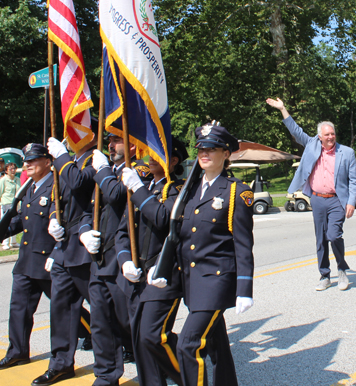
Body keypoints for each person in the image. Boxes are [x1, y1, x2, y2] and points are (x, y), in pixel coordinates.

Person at [175, 123, 254, 386]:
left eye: (212, 148)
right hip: (192, 281)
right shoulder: (190, 190)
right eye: (201, 149)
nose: (204, 153)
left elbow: (243, 244)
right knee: (216, 343)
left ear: (226, 154)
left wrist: (244, 288)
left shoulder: (236, 191)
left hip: (216, 282)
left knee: (188, 345)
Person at [266, 97, 356, 291]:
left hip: (337, 201)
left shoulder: (347, 152)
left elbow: (353, 180)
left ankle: (342, 270)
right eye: (327, 135)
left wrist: (351, 202)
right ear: (319, 137)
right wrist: (282, 109)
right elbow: (295, 130)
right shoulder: (311, 144)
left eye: (333, 134)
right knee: (320, 239)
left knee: (334, 236)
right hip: (317, 199)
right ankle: (324, 275)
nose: (331, 137)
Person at [117, 137, 188, 386]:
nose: (150, 156)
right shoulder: (144, 188)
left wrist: (139, 190)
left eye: (158, 153)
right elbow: (123, 232)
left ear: (174, 161)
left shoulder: (179, 190)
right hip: (138, 275)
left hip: (163, 275)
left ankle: (190, 379)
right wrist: (125, 260)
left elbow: (160, 218)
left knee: (152, 336)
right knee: (139, 340)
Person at [81, 133, 150, 386]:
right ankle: (106, 376)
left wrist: (100, 171)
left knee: (134, 325)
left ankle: (162, 361)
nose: (109, 145)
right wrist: (83, 232)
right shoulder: (107, 171)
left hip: (124, 261)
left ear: (131, 144)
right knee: (101, 325)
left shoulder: (139, 168)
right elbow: (91, 209)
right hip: (100, 261)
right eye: (108, 140)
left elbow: (117, 195)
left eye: (115, 141)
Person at [31, 131, 98, 386]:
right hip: (63, 249)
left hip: (85, 249)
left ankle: (137, 349)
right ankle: (61, 364)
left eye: (76, 130)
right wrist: (52, 219)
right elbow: (56, 197)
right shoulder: (66, 162)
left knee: (106, 311)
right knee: (61, 309)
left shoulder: (95, 160)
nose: (70, 137)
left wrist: (60, 156)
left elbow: (79, 183)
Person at [0, 144, 56, 371]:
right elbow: (24, 219)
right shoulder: (29, 187)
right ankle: (17, 352)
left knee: (66, 309)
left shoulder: (57, 186)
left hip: (47, 260)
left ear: (48, 161)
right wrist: (0, 230)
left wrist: (57, 255)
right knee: (18, 309)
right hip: (26, 260)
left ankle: (94, 333)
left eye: (33, 160)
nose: (27, 164)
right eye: (26, 161)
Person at [0, 162, 21, 249]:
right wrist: (1, 203)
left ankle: (13, 241)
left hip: (16, 204)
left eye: (14, 168)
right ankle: (5, 242)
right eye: (10, 169)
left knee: (15, 222)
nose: (13, 170)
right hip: (6, 203)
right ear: (6, 171)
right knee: (6, 223)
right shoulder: (3, 180)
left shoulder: (17, 180)